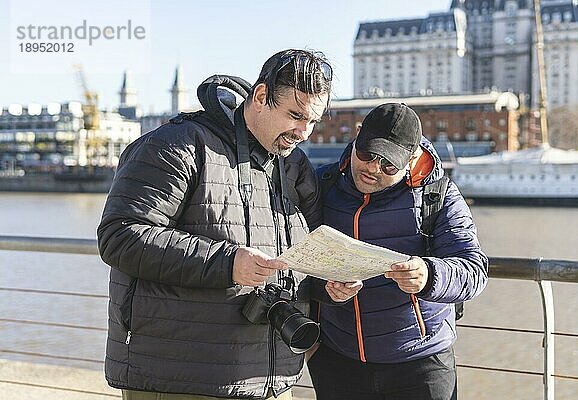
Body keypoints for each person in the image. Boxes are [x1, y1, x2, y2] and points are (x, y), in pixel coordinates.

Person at [97, 49, 362, 400]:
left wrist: (326, 285)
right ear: (262, 96)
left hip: (267, 379)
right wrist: (228, 263)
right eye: (295, 115)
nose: (303, 132)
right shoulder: (178, 145)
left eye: (311, 121)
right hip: (178, 378)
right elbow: (120, 236)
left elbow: (305, 257)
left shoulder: (294, 166)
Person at [307, 103, 488, 400]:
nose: (372, 168)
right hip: (338, 361)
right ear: (357, 135)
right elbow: (295, 260)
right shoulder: (322, 184)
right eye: (366, 154)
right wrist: (325, 289)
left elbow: (475, 271)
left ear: (411, 158)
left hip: (421, 365)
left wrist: (430, 275)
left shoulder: (438, 195)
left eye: (388, 164)